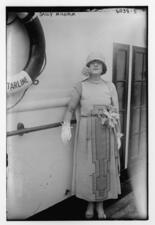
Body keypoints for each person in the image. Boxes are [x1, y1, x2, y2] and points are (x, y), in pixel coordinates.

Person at [61, 52, 123, 219]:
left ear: (103, 68)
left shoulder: (110, 86)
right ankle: (89, 204)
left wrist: (118, 134)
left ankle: (101, 205)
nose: (95, 65)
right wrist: (66, 125)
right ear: (88, 67)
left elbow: (116, 111)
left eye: (99, 63)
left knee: (104, 168)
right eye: (92, 63)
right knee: (89, 168)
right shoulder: (80, 86)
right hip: (86, 134)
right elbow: (70, 109)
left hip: (106, 131)